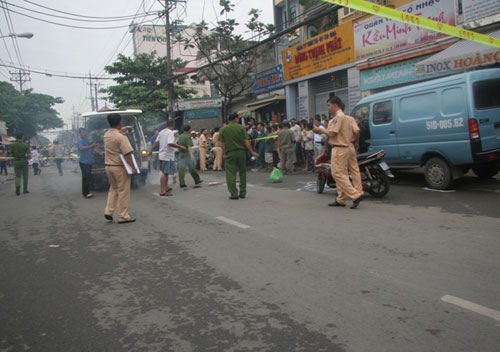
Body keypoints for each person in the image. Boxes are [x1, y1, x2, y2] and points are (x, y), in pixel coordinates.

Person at [313, 97, 363, 209]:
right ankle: (341, 198)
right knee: (346, 173)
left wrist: (320, 130)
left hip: (339, 148)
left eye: (329, 105)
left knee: (337, 174)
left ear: (335, 105)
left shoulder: (338, 117)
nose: (328, 108)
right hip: (344, 146)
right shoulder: (345, 118)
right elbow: (356, 132)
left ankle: (355, 195)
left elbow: (331, 134)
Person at [103, 113, 137, 224]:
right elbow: (127, 154)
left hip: (109, 167)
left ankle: (109, 211)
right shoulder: (121, 137)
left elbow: (117, 131)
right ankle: (123, 216)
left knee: (113, 189)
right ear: (120, 122)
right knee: (123, 191)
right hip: (119, 168)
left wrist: (126, 128)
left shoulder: (107, 135)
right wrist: (133, 168)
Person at [219, 112, 259, 200]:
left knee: (230, 173)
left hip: (230, 153)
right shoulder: (241, 128)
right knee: (242, 172)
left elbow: (222, 143)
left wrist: (225, 153)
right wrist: (252, 152)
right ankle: (242, 192)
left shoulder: (223, 129)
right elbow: (246, 141)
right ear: (236, 119)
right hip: (241, 152)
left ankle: (233, 193)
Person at [149, 119, 186, 196]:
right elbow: (170, 143)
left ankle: (165, 187)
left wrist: (150, 151)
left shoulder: (162, 132)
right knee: (165, 173)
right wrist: (180, 146)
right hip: (167, 155)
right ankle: (162, 191)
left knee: (166, 173)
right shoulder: (170, 133)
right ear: (173, 124)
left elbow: (156, 142)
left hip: (162, 155)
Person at [77, 128, 99, 199]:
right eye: (83, 133)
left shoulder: (87, 141)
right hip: (84, 162)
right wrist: (91, 146)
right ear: (80, 134)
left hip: (89, 161)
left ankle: (87, 191)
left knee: (88, 177)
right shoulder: (80, 141)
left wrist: (100, 152)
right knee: (86, 177)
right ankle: (86, 193)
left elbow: (92, 149)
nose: (84, 134)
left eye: (85, 132)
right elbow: (82, 148)